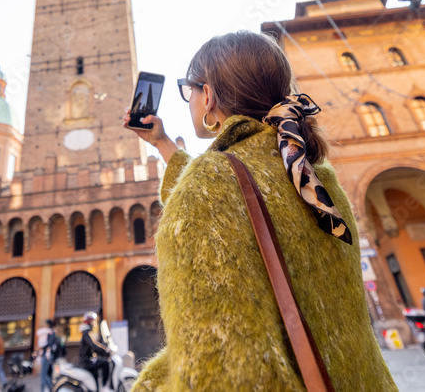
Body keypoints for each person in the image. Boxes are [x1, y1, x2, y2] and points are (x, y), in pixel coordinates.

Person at [124, 31, 397, 390]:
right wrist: (162, 145)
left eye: (187, 88)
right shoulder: (316, 178)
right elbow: (244, 190)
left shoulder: (210, 184)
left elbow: (222, 369)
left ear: (208, 96)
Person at [78, 313, 111, 391]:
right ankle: (104, 387)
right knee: (105, 364)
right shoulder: (86, 333)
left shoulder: (87, 332)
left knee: (96, 374)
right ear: (88, 322)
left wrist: (103, 350)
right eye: (92, 321)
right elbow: (93, 345)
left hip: (90, 359)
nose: (94, 323)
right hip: (86, 361)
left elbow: (94, 345)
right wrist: (105, 350)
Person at [35, 319, 58, 392]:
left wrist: (44, 349)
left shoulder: (50, 332)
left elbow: (49, 344)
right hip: (47, 355)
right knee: (44, 374)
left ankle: (51, 388)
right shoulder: (49, 332)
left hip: (47, 355)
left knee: (43, 375)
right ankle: (50, 388)